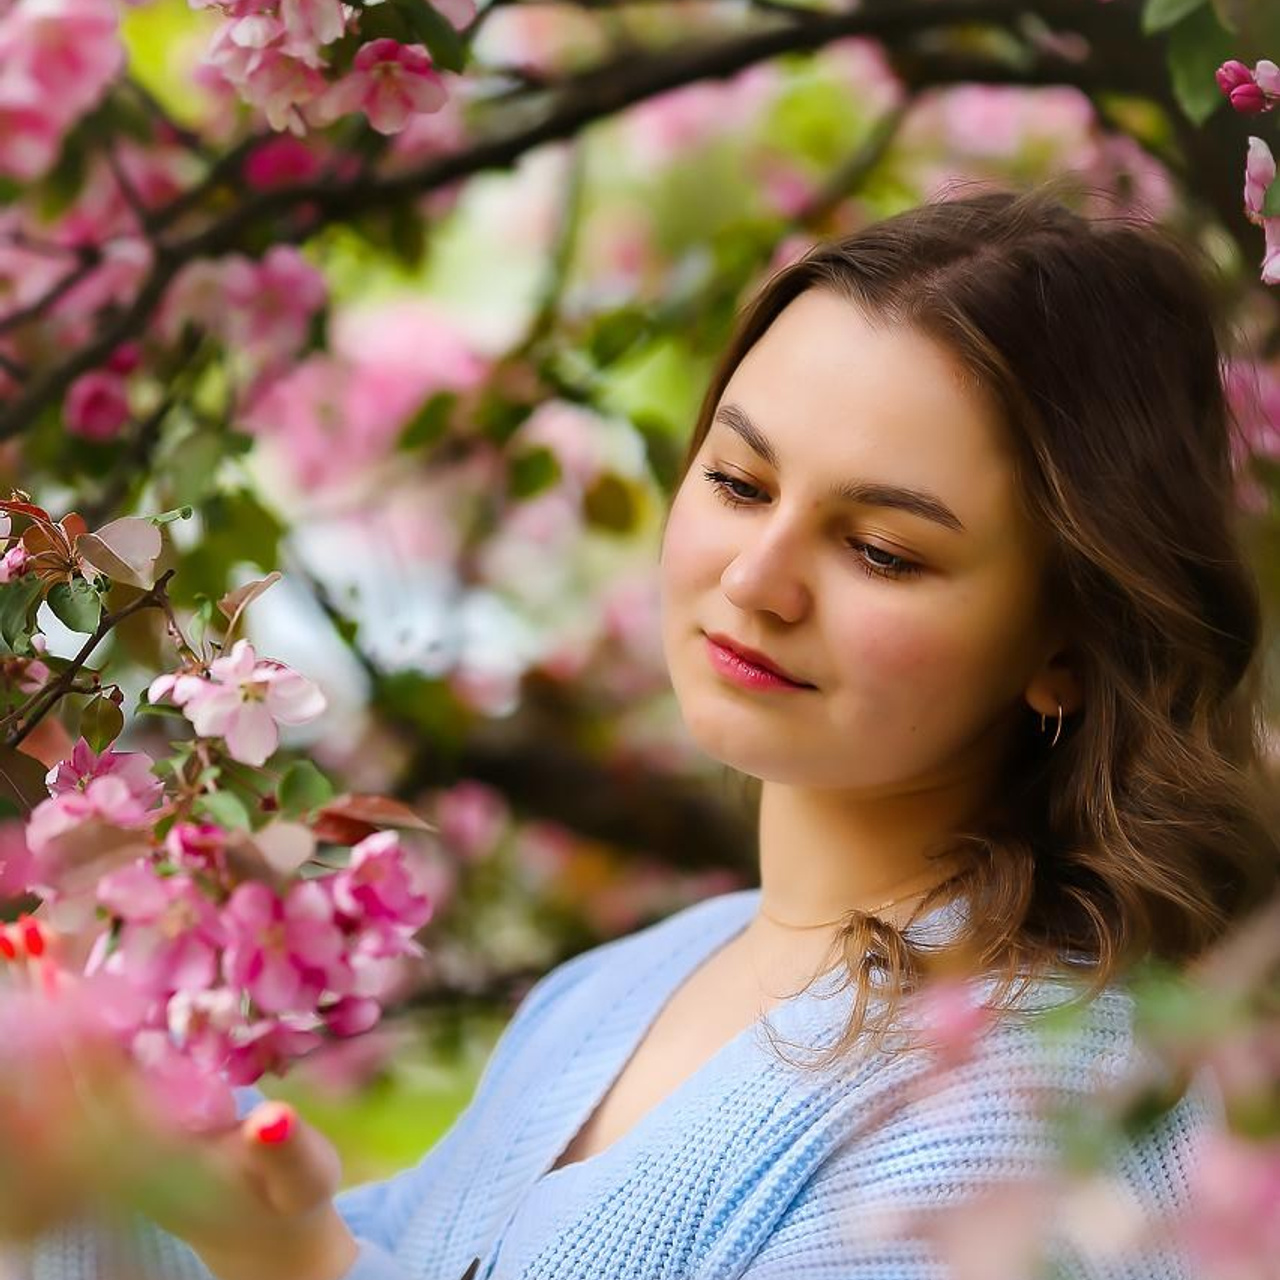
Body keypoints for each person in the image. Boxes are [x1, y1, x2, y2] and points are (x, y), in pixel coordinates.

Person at [23, 186, 1280, 1280]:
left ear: (1067, 642)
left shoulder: (1031, 1099)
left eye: (880, 549)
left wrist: (300, 1260)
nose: (755, 578)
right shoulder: (617, 988)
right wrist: (89, 1139)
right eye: (737, 481)